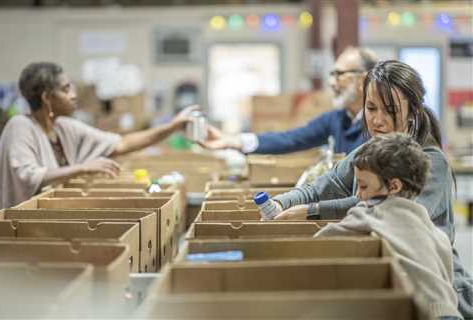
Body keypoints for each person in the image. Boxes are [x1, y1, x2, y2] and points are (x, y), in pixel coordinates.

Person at [272, 60, 472, 319]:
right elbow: (319, 188)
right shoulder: (366, 155)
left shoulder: (429, 162)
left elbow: (388, 211)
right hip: (386, 277)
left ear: (412, 112)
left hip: (438, 293)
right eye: (371, 108)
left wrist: (312, 212)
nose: (377, 120)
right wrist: (279, 203)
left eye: (390, 110)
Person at [0, 62, 197, 211]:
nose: (74, 95)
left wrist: (172, 127)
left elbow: (122, 143)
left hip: (47, 217)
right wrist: (83, 168)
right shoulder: (20, 126)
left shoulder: (64, 128)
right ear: (47, 98)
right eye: (66, 90)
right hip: (16, 225)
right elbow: (29, 176)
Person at [315, 133, 462, 320]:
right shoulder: (432, 230)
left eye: (363, 186)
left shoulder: (372, 211)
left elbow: (323, 239)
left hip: (420, 311)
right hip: (449, 312)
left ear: (393, 186)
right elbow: (445, 279)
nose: (358, 195)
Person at [201, 47, 377, 155]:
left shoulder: (380, 122)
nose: (332, 83)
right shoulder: (337, 119)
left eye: (339, 75)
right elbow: (291, 138)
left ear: (364, 79)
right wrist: (233, 141)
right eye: (332, 74)